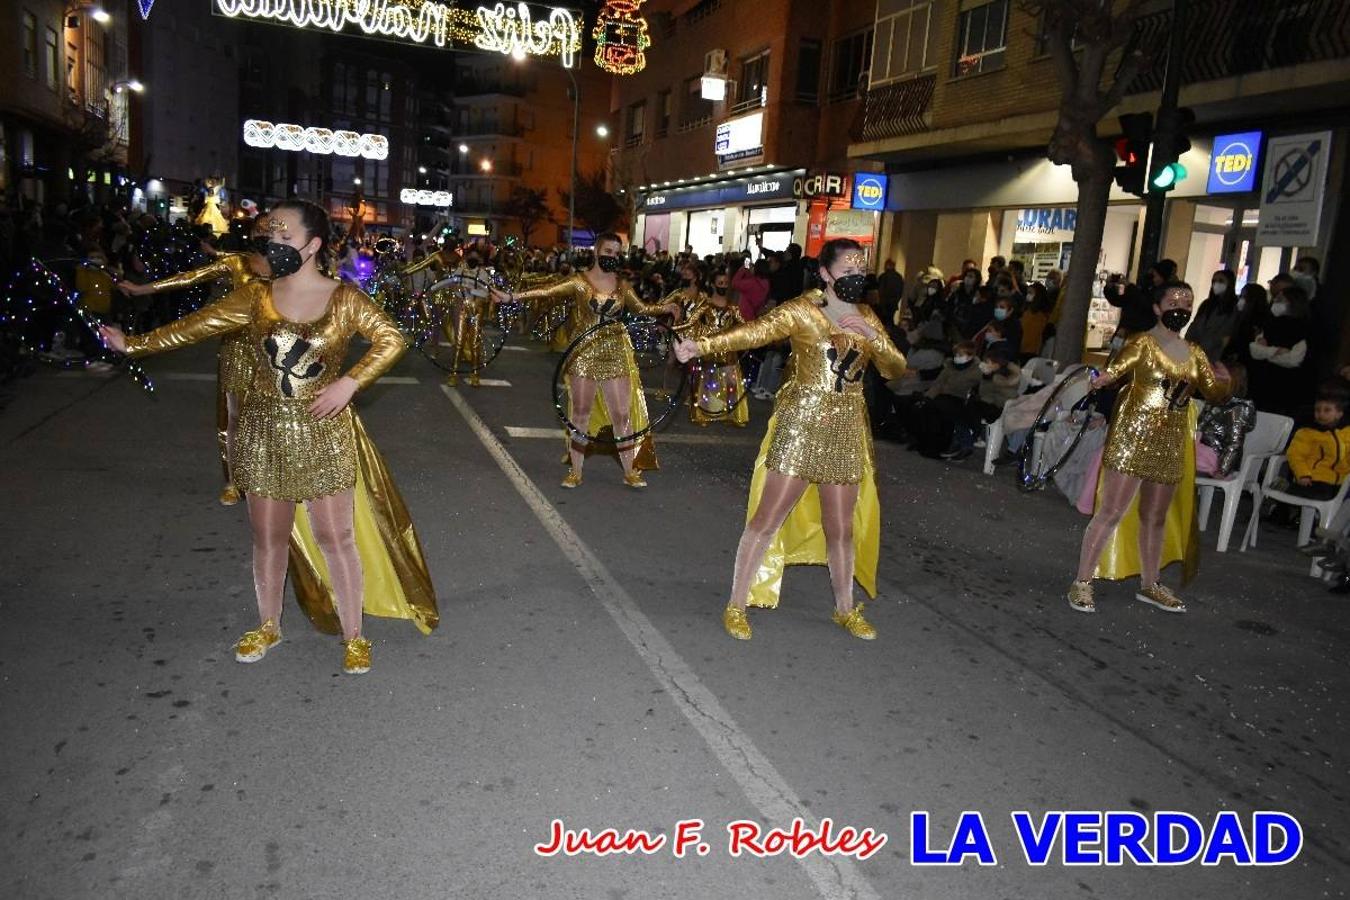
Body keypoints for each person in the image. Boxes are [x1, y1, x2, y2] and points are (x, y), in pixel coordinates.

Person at [98, 200, 438, 674]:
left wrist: (350, 381)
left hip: (323, 433)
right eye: (271, 237)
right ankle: (269, 624)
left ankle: (354, 635)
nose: (273, 246)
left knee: (335, 537)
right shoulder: (254, 296)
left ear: (313, 245)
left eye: (283, 237)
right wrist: (132, 343)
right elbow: (192, 328)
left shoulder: (344, 299)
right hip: (262, 435)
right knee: (267, 537)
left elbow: (392, 339)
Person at [674, 239, 906, 641]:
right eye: (846, 272)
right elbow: (754, 333)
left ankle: (846, 609)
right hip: (801, 427)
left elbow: (895, 369)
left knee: (842, 529)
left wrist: (872, 334)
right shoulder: (804, 310)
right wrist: (701, 346)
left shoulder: (867, 316)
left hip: (847, 431)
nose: (855, 278)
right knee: (767, 521)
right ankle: (737, 604)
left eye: (859, 272)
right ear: (826, 274)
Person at [1068, 283, 1231, 614]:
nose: (1181, 308)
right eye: (1173, 302)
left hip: (1170, 442)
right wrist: (1101, 379)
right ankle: (1083, 581)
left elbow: (1214, 392)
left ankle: (1150, 582)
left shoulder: (1195, 352)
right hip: (1133, 437)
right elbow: (1116, 371)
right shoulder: (1142, 343)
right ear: (1158, 308)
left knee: (1156, 516)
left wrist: (1227, 381)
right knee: (1112, 510)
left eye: (1187, 303)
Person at [494, 232, 680, 488]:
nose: (612, 257)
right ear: (596, 251)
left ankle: (630, 472)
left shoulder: (622, 285)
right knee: (580, 412)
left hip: (615, 353)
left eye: (616, 253)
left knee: (622, 415)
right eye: (608, 252)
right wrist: (511, 297)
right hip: (584, 353)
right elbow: (548, 292)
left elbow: (643, 309)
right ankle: (576, 471)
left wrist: (666, 307)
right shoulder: (580, 282)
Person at [115, 217, 270, 505]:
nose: (266, 235)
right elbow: (189, 277)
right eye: (261, 230)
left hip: (274, 354)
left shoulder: (289, 269)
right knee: (233, 418)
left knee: (270, 419)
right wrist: (142, 289)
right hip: (237, 349)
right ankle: (233, 481)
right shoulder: (237, 263)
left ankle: (265, 477)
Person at [684, 270, 748, 428]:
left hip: (727, 350)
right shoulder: (705, 306)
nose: (723, 286)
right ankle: (701, 413)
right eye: (720, 283)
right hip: (709, 349)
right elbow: (691, 322)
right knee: (705, 381)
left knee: (731, 381)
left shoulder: (733, 307)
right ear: (713, 285)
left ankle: (731, 413)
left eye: (726, 283)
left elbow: (745, 326)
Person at [942, 343, 1021, 462]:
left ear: (997, 364)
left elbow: (1004, 397)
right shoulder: (990, 374)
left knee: (965, 412)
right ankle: (964, 443)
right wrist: (987, 377)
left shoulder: (1008, 377)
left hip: (999, 407)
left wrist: (991, 378)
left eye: (988, 362)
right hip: (986, 404)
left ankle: (966, 442)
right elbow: (984, 393)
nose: (986, 364)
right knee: (960, 411)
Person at [1247, 283, 1312, 418]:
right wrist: (1276, 351)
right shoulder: (1270, 323)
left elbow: (1293, 360)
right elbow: (1254, 350)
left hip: (1287, 387)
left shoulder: (1303, 329)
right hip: (1263, 384)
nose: (1275, 302)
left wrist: (1266, 352)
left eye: (1281, 300)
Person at [1280, 393, 1349, 501]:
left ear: (1339, 414)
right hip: (1313, 478)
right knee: (1324, 495)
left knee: (1342, 498)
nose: (1321, 414)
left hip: (1340, 480)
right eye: (1317, 410)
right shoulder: (1307, 433)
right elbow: (1295, 455)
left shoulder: (1346, 432)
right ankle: (1286, 487)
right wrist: (1302, 474)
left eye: (1327, 410)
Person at [1186, 269, 1240, 362]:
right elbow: (1194, 325)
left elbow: (1226, 333)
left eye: (1221, 281)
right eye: (1214, 281)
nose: (1216, 284)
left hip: (1216, 355)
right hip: (1195, 352)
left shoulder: (1234, 306)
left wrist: (1205, 346)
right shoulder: (1207, 304)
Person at [732, 257, 771, 321]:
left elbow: (734, 283)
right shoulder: (766, 283)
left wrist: (743, 268)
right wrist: (747, 268)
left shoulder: (752, 283)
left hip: (744, 316)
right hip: (753, 315)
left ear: (757, 268)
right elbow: (750, 280)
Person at [876, 259, 905, 326]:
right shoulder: (899, 277)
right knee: (890, 319)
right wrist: (896, 300)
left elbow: (880, 290)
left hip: (884, 303)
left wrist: (880, 301)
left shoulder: (884, 276)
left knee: (883, 321)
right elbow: (900, 291)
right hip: (894, 302)